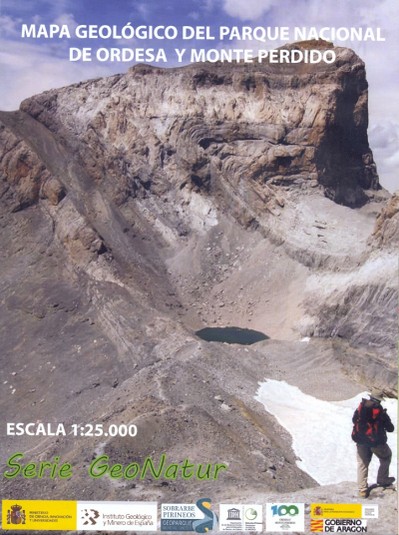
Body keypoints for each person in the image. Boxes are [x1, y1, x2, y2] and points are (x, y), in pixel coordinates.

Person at [352, 390, 395, 497]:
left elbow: (354, 420)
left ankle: (362, 490)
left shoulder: (361, 407)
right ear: (379, 400)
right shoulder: (380, 411)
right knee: (386, 456)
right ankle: (382, 479)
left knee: (362, 464)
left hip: (361, 441)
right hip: (376, 442)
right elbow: (390, 428)